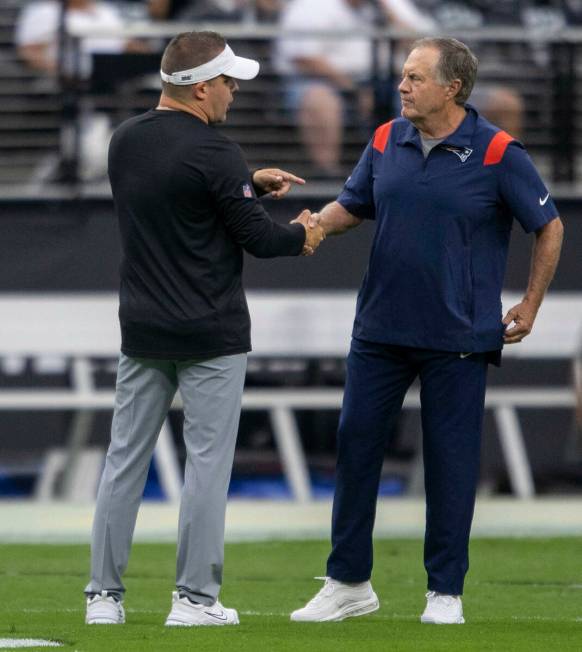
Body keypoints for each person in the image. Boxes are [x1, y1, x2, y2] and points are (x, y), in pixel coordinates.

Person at [290, 37, 563, 624]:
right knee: (356, 449)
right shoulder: (386, 138)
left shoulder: (498, 151)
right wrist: (316, 225)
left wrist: (532, 303)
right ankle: (347, 583)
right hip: (380, 331)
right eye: (403, 76)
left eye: (415, 77)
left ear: (452, 88)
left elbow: (549, 226)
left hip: (460, 337)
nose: (403, 86)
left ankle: (445, 592)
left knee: (450, 464)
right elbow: (352, 204)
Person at [84, 30, 324, 627]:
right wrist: (306, 233)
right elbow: (262, 239)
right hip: (211, 334)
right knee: (206, 469)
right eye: (226, 81)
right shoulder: (217, 153)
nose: (235, 92)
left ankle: (103, 600)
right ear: (198, 88)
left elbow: (182, 201)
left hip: (142, 330)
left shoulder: (125, 141)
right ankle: (194, 601)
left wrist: (246, 184)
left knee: (123, 464)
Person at [275, 0, 435, 177]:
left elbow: (425, 52)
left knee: (424, 94)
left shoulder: (390, 5)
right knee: (319, 99)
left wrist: (388, 13)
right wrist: (354, 90)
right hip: (321, 80)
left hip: (388, 78)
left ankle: (420, 173)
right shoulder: (311, 6)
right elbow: (305, 59)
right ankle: (328, 179)